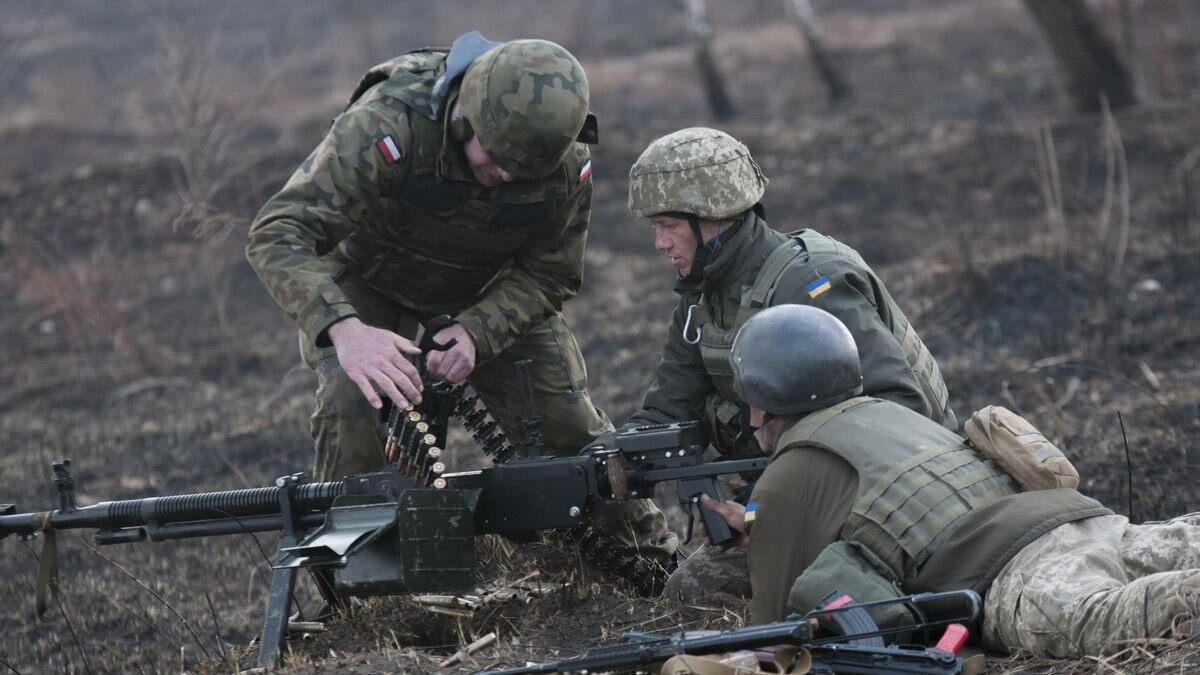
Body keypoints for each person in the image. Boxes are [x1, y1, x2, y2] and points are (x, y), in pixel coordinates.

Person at [246, 32, 675, 563]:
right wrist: (346, 331)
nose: (505, 178)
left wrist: (478, 330)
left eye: (523, 173)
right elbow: (277, 232)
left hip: (488, 290)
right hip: (370, 280)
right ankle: (361, 591)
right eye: (495, 161)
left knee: (569, 424)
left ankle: (650, 563)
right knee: (352, 407)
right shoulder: (390, 122)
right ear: (465, 119)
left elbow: (550, 273)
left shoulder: (565, 163)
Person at [699, 303, 1200, 658]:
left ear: (766, 399)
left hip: (1008, 574)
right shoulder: (888, 413)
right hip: (1079, 521)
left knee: (1114, 618)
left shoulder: (786, 475)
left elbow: (774, 639)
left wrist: (762, 533)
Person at [620, 127, 955, 599]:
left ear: (712, 216)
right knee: (690, 590)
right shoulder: (702, 300)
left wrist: (773, 512)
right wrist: (613, 457)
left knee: (707, 594)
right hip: (797, 494)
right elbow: (669, 406)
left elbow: (899, 409)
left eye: (668, 226)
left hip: (892, 495)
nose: (658, 243)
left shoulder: (810, 283)